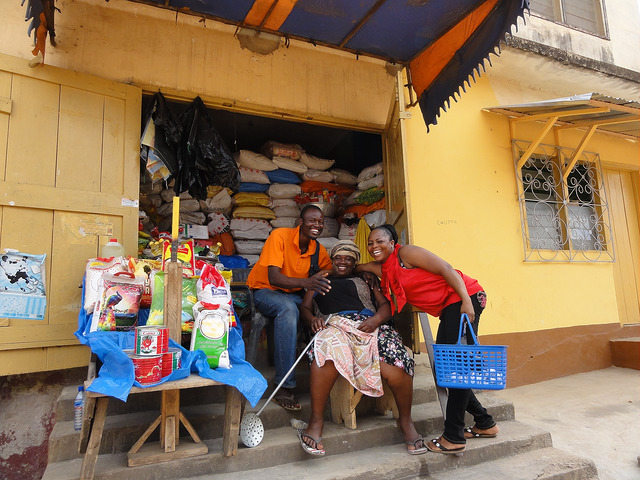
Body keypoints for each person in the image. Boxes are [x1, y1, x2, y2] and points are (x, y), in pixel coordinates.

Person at [359, 224, 498, 455]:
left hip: (465, 298)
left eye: (380, 241)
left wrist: (465, 301)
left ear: (392, 243)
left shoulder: (406, 254)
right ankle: (485, 423)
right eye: (370, 243)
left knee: (457, 369)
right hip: (449, 307)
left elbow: (446, 268)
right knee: (447, 368)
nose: (374, 246)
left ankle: (454, 436)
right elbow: (356, 266)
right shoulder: (382, 269)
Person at [298, 240, 425, 457]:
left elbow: (386, 305)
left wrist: (376, 320)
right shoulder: (321, 278)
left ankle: (405, 421)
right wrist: (312, 321)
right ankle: (316, 422)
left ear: (355, 261)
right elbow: (305, 307)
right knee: (325, 350)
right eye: (338, 257)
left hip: (368, 324)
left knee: (397, 358)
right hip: (334, 324)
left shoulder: (366, 279)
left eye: (348, 258)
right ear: (332, 258)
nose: (342, 262)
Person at [246, 204, 332, 410]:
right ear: (300, 222)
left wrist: (362, 270)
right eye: (312, 221)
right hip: (265, 291)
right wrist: (306, 282)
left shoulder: (317, 249)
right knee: (288, 309)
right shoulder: (280, 237)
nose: (317, 225)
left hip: (291, 295)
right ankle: (284, 385)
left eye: (320, 222)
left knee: (314, 309)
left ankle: (321, 375)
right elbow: (273, 277)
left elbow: (331, 268)